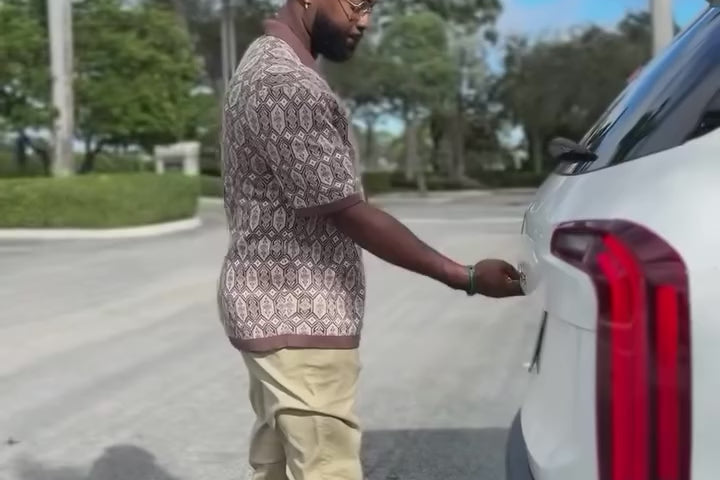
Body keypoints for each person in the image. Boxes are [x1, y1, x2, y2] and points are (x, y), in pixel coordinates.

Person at [217, 1, 524, 478]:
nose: (364, 20)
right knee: (327, 469)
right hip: (298, 315)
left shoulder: (263, 60)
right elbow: (348, 212)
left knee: (276, 466)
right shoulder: (286, 84)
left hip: (271, 312)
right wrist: (463, 276)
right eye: (356, 4)